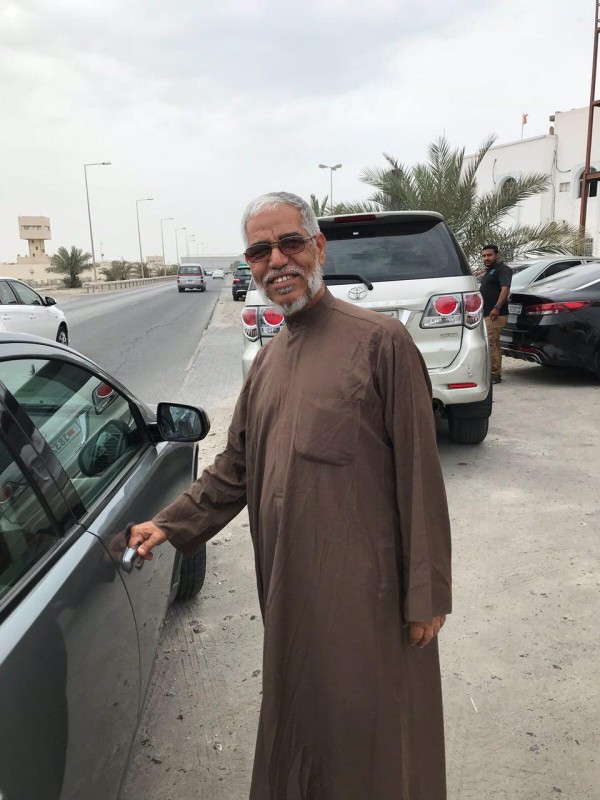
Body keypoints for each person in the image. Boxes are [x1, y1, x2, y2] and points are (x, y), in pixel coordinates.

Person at [129, 192, 452, 800]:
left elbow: (419, 473)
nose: (276, 261)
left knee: (372, 734)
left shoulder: (380, 342)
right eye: (259, 251)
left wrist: (427, 595)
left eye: (290, 243)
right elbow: (236, 467)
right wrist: (169, 524)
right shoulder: (267, 363)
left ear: (318, 248)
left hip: (368, 596)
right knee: (303, 725)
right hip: (289, 587)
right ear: (250, 265)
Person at [480, 243, 512, 384]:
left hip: (495, 314)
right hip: (487, 313)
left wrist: (497, 307)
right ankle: (495, 372)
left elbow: (505, 289)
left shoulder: (503, 270)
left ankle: (494, 375)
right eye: (484, 256)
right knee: (494, 343)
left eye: (489, 255)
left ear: (496, 255)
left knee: (491, 344)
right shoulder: (490, 270)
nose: (486, 258)